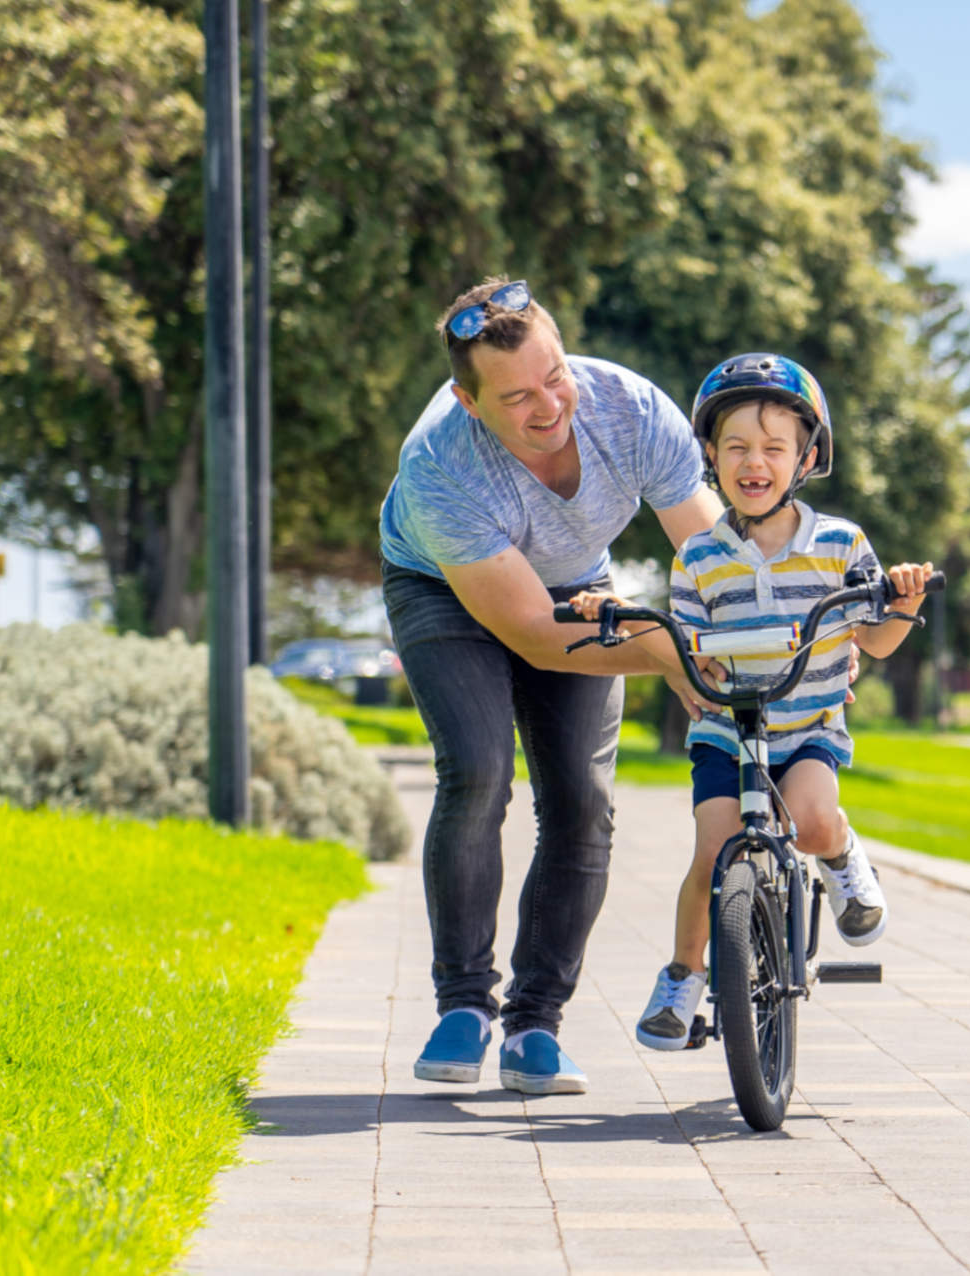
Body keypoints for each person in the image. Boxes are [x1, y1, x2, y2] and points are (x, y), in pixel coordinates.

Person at [377, 277, 725, 1095]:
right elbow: (533, 634)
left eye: (556, 375)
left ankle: (536, 1023)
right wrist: (670, 656)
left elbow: (714, 558)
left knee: (581, 801)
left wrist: (764, 635)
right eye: (516, 396)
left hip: (578, 582)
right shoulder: (440, 467)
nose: (548, 407)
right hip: (446, 590)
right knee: (480, 771)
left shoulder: (631, 409)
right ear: (468, 401)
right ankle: (463, 1005)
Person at [569, 352, 933, 1052]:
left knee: (814, 819)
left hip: (806, 728)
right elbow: (683, 645)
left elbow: (878, 642)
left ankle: (844, 859)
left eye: (774, 447)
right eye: (735, 446)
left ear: (807, 457)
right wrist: (621, 611)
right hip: (726, 733)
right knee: (712, 850)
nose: (753, 460)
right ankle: (683, 976)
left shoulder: (840, 544)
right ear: (710, 455)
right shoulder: (699, 556)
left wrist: (904, 599)